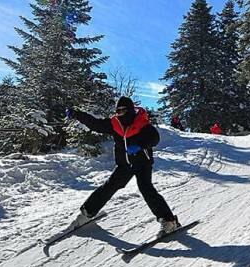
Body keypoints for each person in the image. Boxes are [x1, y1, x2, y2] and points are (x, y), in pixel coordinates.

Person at [65, 97, 180, 236]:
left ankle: (169, 221)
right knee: (109, 186)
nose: (120, 113)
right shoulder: (115, 124)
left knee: (146, 189)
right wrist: (77, 114)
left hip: (142, 162)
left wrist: (140, 145)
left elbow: (154, 138)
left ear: (130, 110)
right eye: (117, 111)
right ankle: (87, 213)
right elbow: (95, 124)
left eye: (123, 110)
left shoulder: (142, 123)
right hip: (124, 164)